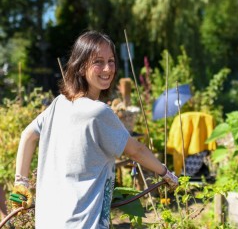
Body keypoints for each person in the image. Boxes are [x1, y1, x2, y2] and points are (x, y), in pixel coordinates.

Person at [11, 30, 178, 228]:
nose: (107, 68)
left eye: (111, 61)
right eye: (98, 61)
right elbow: (136, 150)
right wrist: (166, 173)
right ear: (81, 67)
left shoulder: (59, 104)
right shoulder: (98, 112)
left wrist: (21, 181)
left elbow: (27, 135)